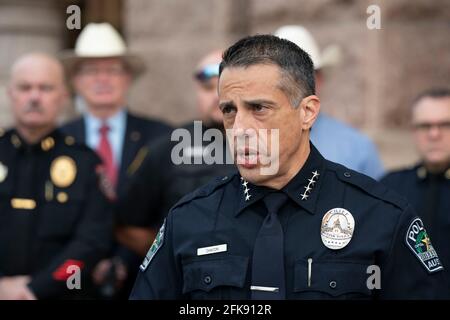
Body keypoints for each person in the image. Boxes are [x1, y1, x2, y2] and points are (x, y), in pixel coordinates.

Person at [130, 35, 448, 300]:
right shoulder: (189, 219)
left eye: (258, 108)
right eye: (229, 110)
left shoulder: (381, 216)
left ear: (307, 112)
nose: (239, 127)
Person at [60, 23, 172, 298]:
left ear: (128, 78)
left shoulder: (161, 137)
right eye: (91, 71)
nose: (103, 79)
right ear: (75, 80)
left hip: (144, 281)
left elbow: (167, 213)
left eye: (112, 70)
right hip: (70, 283)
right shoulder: (59, 139)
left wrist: (124, 258)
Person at [0, 53, 111, 299]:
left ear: (63, 96)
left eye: (45, 88)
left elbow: (92, 242)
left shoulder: (85, 161)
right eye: (25, 87)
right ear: (11, 94)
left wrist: (36, 289)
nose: (34, 97)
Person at [116, 50, 236, 257]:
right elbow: (126, 223)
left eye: (228, 88)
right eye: (208, 88)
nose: (218, 96)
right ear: (196, 91)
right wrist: (171, 258)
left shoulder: (272, 145)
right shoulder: (168, 148)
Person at [275, 25, 384, 180]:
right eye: (282, 78)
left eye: (300, 76)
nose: (291, 86)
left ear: (318, 80)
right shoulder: (247, 144)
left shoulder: (357, 147)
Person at [381, 88, 450, 289]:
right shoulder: (389, 188)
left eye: (445, 125)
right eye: (424, 126)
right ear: (413, 131)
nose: (434, 134)